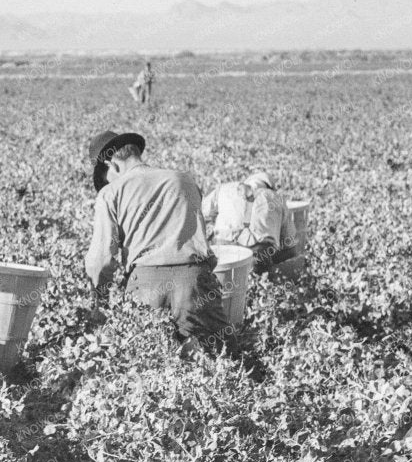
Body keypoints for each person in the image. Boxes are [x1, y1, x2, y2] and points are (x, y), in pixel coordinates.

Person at [84, 130, 228, 347]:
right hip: (195, 282)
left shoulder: (111, 193)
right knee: (221, 357)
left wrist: (100, 299)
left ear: (112, 165)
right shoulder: (184, 180)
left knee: (148, 366)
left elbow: (101, 260)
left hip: (145, 286)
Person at [204, 170, 290, 269]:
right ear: (270, 187)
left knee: (221, 276)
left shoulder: (225, 188)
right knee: (261, 277)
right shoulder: (277, 198)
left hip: (224, 247)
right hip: (258, 251)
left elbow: (202, 212)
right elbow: (289, 245)